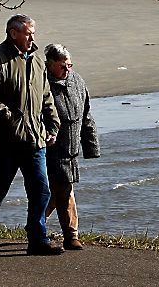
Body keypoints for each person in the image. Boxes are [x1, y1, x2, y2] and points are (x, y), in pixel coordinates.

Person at [0, 14, 63, 256]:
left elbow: (45, 97)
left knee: (41, 190)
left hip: (34, 140)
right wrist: (11, 119)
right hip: (3, 142)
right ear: (13, 33)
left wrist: (52, 125)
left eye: (33, 32)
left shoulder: (38, 60)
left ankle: (38, 239)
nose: (32, 37)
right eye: (28, 32)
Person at [43, 44, 100, 250]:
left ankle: (36, 224)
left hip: (72, 149)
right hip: (49, 149)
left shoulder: (77, 80)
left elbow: (86, 115)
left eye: (69, 65)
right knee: (62, 190)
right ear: (49, 65)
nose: (67, 70)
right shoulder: (41, 83)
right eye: (62, 66)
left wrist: (91, 146)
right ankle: (70, 236)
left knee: (57, 191)